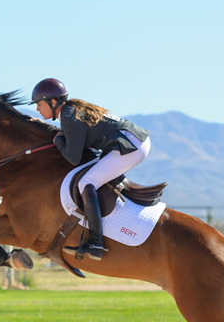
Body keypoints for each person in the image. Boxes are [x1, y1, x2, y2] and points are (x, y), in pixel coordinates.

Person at [31, 77, 151, 261]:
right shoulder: (71, 111)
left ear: (53, 102)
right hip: (132, 141)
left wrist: (58, 141)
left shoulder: (69, 115)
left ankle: (96, 242)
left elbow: (73, 158)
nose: (37, 109)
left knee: (87, 182)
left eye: (39, 104)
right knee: (92, 176)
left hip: (131, 145)